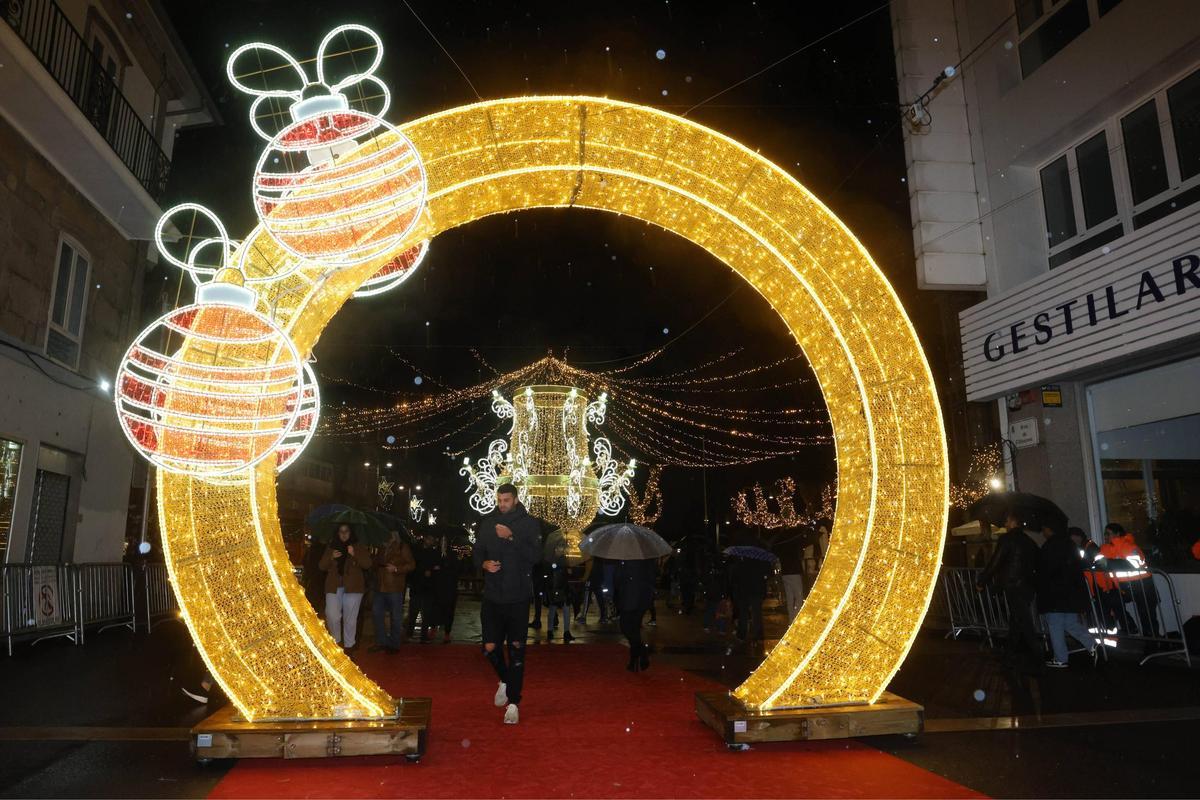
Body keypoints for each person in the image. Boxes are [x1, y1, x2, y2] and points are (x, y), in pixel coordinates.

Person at [473, 484, 542, 725]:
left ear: (515, 499)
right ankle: (505, 679)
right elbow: (477, 552)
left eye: (506, 500)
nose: (502, 504)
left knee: (516, 651)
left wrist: (511, 537)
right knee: (489, 647)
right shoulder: (487, 523)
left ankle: (514, 703)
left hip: (518, 598)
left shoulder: (529, 523)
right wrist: (483, 565)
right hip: (492, 596)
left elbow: (536, 556)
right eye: (499, 500)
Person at [977, 513, 1042, 673]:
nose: (1005, 523)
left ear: (1013, 522)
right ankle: (1008, 656)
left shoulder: (1007, 539)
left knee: (1024, 624)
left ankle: (1039, 661)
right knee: (1017, 621)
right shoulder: (1030, 542)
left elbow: (996, 562)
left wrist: (982, 581)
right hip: (1027, 587)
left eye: (1007, 520)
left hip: (1014, 586)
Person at [1037, 520, 1098, 668]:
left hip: (1054, 594)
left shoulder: (1049, 547)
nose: (1043, 533)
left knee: (1055, 625)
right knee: (1071, 623)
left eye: (1044, 529)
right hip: (1071, 593)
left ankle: (1060, 658)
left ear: (1050, 530)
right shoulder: (1069, 545)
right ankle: (1092, 645)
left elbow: (1045, 570)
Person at [1098, 522, 1160, 637]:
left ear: (1117, 534)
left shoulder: (1129, 546)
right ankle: (1129, 627)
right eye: (1104, 534)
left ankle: (1154, 642)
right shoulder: (1105, 549)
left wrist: (1111, 563)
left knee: (1146, 616)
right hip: (1124, 586)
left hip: (1143, 585)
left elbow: (1136, 563)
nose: (1105, 537)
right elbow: (1098, 564)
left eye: (1108, 534)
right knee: (1110, 599)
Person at [319, 524, 372, 652]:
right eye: (341, 531)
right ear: (337, 533)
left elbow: (367, 564)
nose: (343, 534)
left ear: (351, 532)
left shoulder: (358, 546)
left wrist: (354, 554)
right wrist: (331, 556)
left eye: (346, 531)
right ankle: (336, 642)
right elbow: (321, 566)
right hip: (334, 586)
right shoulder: (331, 547)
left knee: (350, 618)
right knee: (332, 615)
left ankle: (349, 647)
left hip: (353, 587)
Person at [370, 530, 415, 653]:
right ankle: (381, 641)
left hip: (394, 586)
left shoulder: (402, 547)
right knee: (377, 613)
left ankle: (394, 644)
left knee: (395, 616)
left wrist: (396, 569)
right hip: (380, 586)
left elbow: (411, 564)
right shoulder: (382, 547)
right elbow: (375, 564)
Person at [613, 557, 656, 671]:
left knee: (626, 627)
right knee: (634, 629)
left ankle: (641, 653)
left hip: (630, 596)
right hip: (643, 597)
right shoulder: (648, 557)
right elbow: (652, 577)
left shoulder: (625, 557)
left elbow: (617, 579)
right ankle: (634, 660)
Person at [729, 553, 771, 644]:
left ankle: (742, 635)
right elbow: (767, 575)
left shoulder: (740, 562)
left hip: (744, 591)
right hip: (757, 591)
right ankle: (758, 636)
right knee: (757, 614)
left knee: (743, 614)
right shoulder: (760, 562)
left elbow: (734, 578)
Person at [432, 535, 461, 644]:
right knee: (435, 609)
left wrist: (443, 567)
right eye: (441, 540)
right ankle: (434, 628)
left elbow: (456, 569)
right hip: (437, 587)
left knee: (449, 611)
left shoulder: (452, 554)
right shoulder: (435, 553)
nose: (443, 542)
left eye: (445, 540)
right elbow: (432, 567)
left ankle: (447, 633)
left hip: (449, 588)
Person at [773, 530, 807, 621]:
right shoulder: (794, 544)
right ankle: (796, 617)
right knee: (799, 596)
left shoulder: (781, 544)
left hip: (785, 573)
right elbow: (800, 555)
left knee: (790, 597)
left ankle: (791, 618)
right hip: (794, 572)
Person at [545, 542, 575, 642]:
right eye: (560, 549)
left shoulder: (560, 560)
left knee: (560, 609)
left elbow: (566, 574)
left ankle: (561, 631)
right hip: (556, 587)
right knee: (555, 609)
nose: (561, 551)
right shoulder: (555, 561)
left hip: (560, 587)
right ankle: (555, 631)